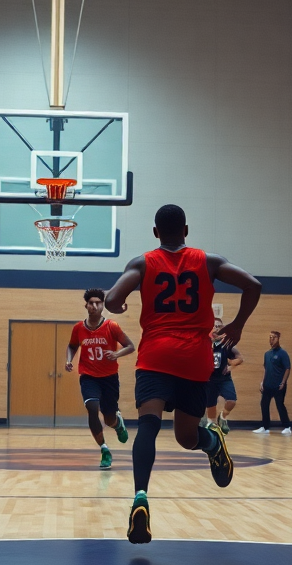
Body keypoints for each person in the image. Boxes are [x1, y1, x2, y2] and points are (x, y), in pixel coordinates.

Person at [105, 204, 261, 544]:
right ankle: (210, 441)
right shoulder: (209, 261)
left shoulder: (142, 263)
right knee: (186, 439)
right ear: (186, 231)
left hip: (155, 356)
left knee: (147, 425)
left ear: (155, 232)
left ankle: (140, 496)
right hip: (194, 358)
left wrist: (118, 305)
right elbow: (253, 285)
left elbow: (113, 298)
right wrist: (237, 324)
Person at [64, 288, 136, 469]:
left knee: (109, 417)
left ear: (103, 305)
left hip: (109, 378)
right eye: (91, 303)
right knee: (92, 407)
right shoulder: (79, 328)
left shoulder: (112, 326)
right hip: (88, 377)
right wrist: (68, 359)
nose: (94, 306)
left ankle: (117, 424)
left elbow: (130, 346)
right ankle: (104, 449)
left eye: (98, 302)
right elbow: (72, 346)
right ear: (86, 306)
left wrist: (116, 353)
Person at [205, 316, 243, 434]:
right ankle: (211, 425)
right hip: (210, 380)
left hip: (224, 379)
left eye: (219, 326)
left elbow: (240, 358)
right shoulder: (205, 343)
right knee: (211, 406)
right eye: (214, 326)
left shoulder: (227, 344)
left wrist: (231, 366)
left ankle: (223, 417)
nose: (217, 328)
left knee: (232, 401)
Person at [253, 331, 291, 435]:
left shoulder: (283, 353)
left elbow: (287, 368)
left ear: (278, 338)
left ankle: (287, 426)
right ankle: (265, 427)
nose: (271, 339)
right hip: (267, 385)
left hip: (278, 385)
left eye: (274, 337)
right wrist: (262, 382)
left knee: (280, 405)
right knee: (264, 404)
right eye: (270, 337)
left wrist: (283, 382)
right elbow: (265, 368)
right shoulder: (267, 354)